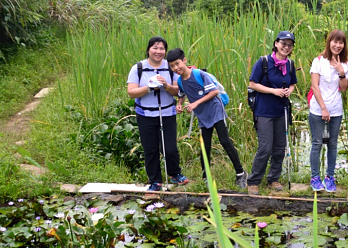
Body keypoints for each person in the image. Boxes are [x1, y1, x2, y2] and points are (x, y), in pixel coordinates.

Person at [166, 48, 247, 188]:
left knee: (225, 141)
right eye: (172, 66)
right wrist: (179, 104)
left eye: (177, 63)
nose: (176, 68)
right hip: (202, 115)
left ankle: (241, 173)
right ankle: (206, 177)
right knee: (205, 147)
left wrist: (195, 103)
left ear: (184, 60)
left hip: (215, 110)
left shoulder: (199, 74)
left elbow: (214, 91)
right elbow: (181, 94)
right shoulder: (180, 81)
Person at [126, 36, 188, 192]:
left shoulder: (170, 67)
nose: (158, 51)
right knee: (151, 149)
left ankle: (174, 174)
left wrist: (166, 85)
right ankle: (155, 181)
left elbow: (178, 91)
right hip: (145, 115)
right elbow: (131, 93)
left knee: (170, 148)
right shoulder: (138, 68)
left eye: (162, 48)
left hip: (167, 113)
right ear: (148, 49)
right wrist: (148, 87)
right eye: (155, 48)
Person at [247, 31, 298, 195]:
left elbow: (293, 84)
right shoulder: (263, 62)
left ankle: (273, 179)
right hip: (264, 111)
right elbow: (253, 84)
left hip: (281, 111)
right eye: (283, 43)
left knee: (279, 148)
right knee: (265, 148)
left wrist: (289, 91)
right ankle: (253, 181)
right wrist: (273, 91)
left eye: (290, 45)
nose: (286, 47)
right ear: (276, 43)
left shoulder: (290, 64)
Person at [308, 30, 348, 192]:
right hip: (318, 109)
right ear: (329, 42)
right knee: (317, 143)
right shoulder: (318, 61)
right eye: (335, 41)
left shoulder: (345, 64)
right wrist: (323, 108)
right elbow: (314, 86)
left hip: (336, 109)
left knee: (332, 144)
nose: (337, 45)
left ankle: (330, 177)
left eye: (341, 43)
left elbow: (344, 89)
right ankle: (315, 177)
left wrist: (341, 72)